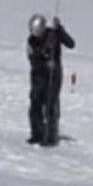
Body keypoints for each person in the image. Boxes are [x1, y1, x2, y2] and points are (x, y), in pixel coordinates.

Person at [27, 14, 75, 146]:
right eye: (33, 32)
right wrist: (44, 58)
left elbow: (71, 44)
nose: (36, 35)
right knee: (35, 104)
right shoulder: (31, 41)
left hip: (54, 76)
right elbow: (33, 59)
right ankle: (37, 133)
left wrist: (60, 30)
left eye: (38, 32)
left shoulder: (53, 35)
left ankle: (50, 136)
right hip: (38, 75)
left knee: (50, 105)